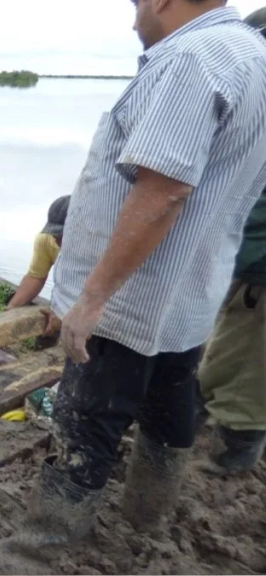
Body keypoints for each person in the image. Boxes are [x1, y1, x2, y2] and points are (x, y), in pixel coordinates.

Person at [0, 2, 266, 572]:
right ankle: (146, 518)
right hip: (191, 295)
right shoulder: (255, 57)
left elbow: (163, 190)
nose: (134, 20)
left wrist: (94, 297)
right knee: (168, 411)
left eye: (135, 5)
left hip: (132, 301)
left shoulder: (192, 60)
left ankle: (35, 552)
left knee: (86, 423)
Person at [197, 6, 266, 476]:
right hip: (241, 262)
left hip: (257, 269)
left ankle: (233, 459)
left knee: (244, 374)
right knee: (223, 356)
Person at [6, 195, 70, 309]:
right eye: (54, 234)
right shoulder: (46, 239)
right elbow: (35, 277)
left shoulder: (100, 248)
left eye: (61, 235)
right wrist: (10, 310)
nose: (56, 239)